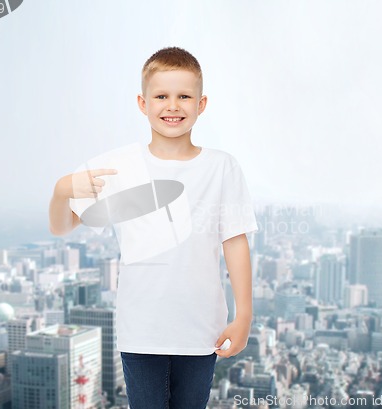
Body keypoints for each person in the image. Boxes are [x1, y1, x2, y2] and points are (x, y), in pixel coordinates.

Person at [49, 46, 258, 409]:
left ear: (201, 103)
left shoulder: (222, 167)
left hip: (202, 329)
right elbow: (62, 226)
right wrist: (60, 191)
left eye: (184, 96)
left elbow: (235, 240)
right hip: (141, 330)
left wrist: (245, 315)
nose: (172, 106)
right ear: (143, 103)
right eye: (161, 96)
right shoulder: (119, 167)